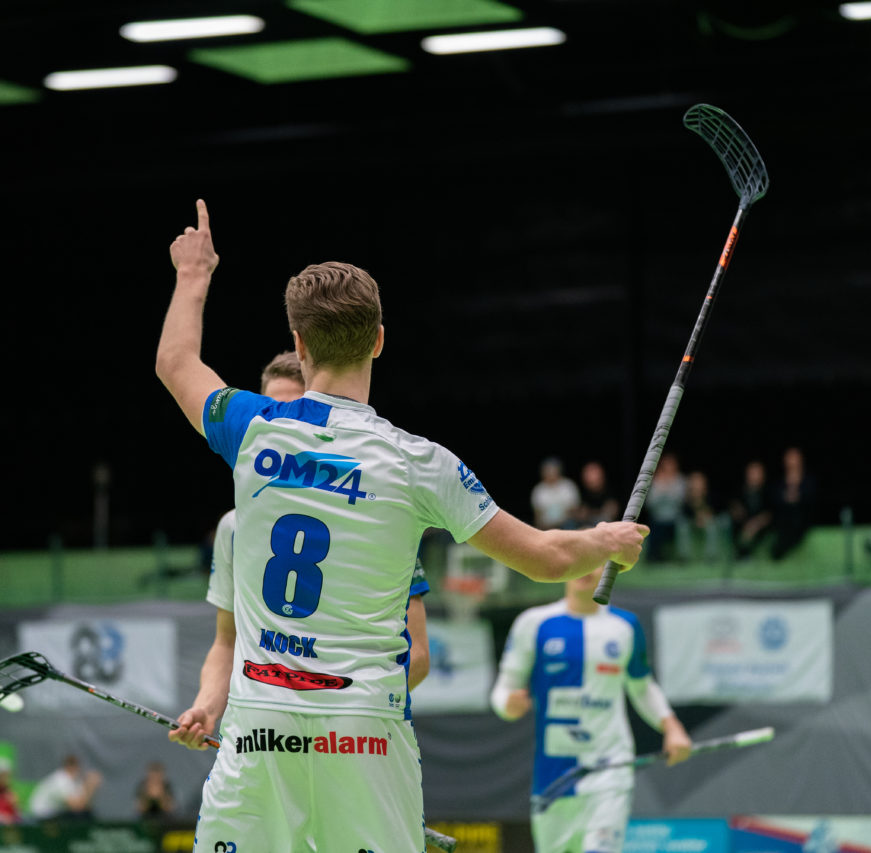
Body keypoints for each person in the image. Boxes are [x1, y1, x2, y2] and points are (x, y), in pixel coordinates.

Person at [154, 200, 648, 852]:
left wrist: (194, 275)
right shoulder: (421, 463)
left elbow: (176, 362)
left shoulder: (252, 427)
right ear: (379, 340)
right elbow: (546, 558)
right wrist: (608, 541)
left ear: (298, 346)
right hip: (363, 731)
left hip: (261, 726)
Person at [168, 351, 434, 755]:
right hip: (267, 736)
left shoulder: (376, 514)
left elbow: (418, 654)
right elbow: (227, 642)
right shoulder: (233, 528)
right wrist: (207, 706)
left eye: (297, 410)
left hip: (351, 738)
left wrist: (331, 713)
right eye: (275, 412)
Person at [490, 563, 692, 853]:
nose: (586, 568)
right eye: (580, 557)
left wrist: (672, 728)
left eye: (595, 560)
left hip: (610, 768)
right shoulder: (533, 623)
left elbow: (642, 687)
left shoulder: (625, 626)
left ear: (608, 570)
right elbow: (503, 690)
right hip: (553, 776)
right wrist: (507, 706)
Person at [770, 447, 815, 560]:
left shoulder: (808, 481)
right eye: (789, 458)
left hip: (802, 520)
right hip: (783, 520)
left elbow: (811, 500)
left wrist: (797, 496)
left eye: (795, 458)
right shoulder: (779, 483)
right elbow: (774, 500)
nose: (792, 461)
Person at [27, 754, 101, 822]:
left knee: (86, 814)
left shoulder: (74, 781)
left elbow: (84, 805)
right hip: (42, 815)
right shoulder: (61, 780)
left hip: (55, 814)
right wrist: (90, 786)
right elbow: (77, 807)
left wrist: (89, 788)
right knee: (80, 816)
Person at [643, 455, 686, 562]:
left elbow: (680, 501)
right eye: (666, 465)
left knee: (682, 527)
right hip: (658, 519)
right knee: (653, 528)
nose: (669, 468)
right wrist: (662, 490)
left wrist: (666, 490)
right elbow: (650, 503)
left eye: (671, 465)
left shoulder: (680, 480)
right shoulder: (655, 480)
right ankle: (654, 557)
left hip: (675, 519)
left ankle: (681, 557)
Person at [728, 460, 772, 559]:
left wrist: (756, 524)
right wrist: (736, 511)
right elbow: (733, 508)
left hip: (761, 528)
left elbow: (771, 513)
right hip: (742, 527)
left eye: (757, 473)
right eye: (752, 473)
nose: (754, 477)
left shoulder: (768, 492)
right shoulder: (740, 491)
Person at [531, 457, 580, 531]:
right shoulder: (538, 490)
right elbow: (537, 515)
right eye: (547, 470)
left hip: (566, 525)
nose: (550, 473)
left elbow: (574, 510)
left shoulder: (568, 486)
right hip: (546, 527)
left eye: (553, 470)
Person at [572, 461, 620, 529]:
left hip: (606, 526)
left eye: (593, 473)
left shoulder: (612, 491)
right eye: (587, 473)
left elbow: (611, 512)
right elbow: (579, 514)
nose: (590, 477)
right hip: (585, 526)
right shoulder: (581, 492)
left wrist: (590, 513)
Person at [134, 760, 175, 827]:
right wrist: (148, 796)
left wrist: (161, 796)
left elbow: (170, 808)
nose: (155, 778)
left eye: (157, 775)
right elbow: (139, 808)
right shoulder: (143, 786)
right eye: (153, 775)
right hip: (145, 820)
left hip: (164, 821)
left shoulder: (167, 786)